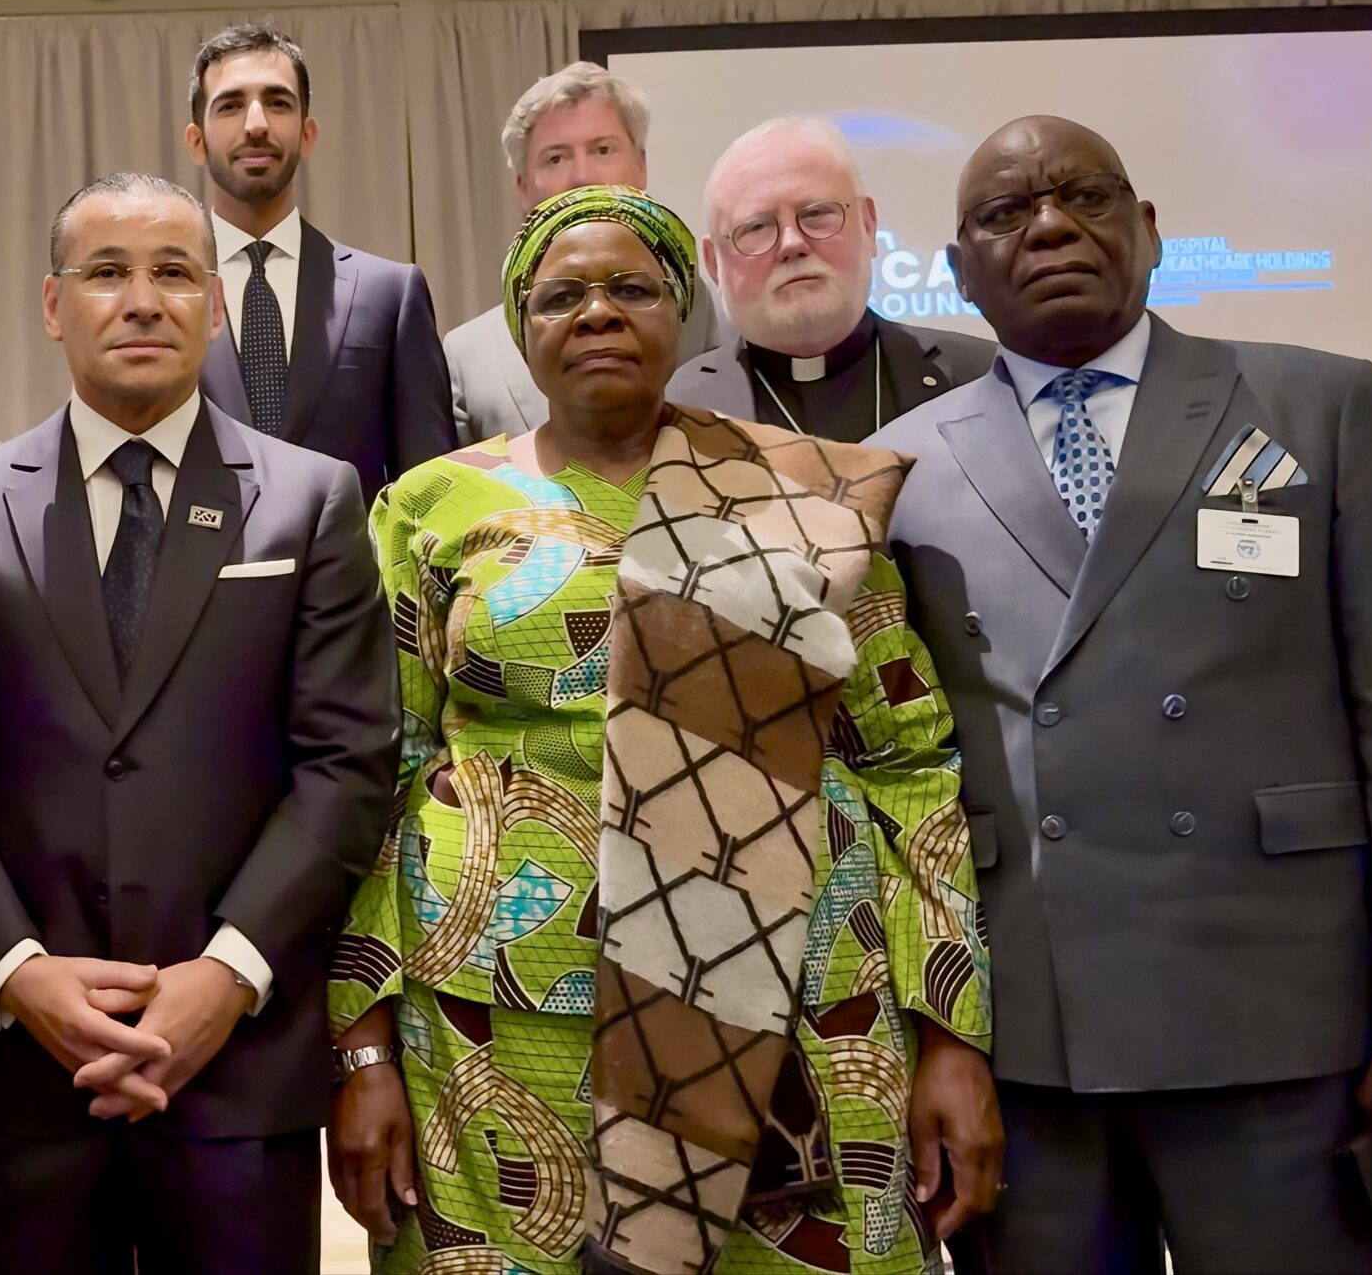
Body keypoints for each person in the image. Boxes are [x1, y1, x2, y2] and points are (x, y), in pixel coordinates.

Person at [329, 184, 1001, 1275]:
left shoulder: (806, 499)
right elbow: (376, 772)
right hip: (498, 1024)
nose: (597, 313)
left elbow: (910, 762)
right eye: (562, 296)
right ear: (520, 328)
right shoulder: (427, 504)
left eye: (631, 289)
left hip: (785, 1004)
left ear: (681, 313)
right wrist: (359, 1045)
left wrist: (950, 1034)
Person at [875, 115, 1372, 1274]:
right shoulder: (899, 469)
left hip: (1284, 1026)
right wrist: (936, 1036)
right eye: (1005, 214)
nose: (1052, 224)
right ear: (958, 271)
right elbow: (896, 778)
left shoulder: (1316, 406)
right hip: (1031, 1044)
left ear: (1151, 232)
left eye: (1085, 195)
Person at [0, 172, 399, 1274]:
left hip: (236, 1060)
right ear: (52, 306)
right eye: (107, 273)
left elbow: (347, 767)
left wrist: (225, 975)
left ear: (215, 304)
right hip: (22, 1069)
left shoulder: (310, 499)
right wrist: (16, 969)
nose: (142, 300)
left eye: (174, 272)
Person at [183, 24, 456, 497]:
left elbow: (429, 490)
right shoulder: (163, 293)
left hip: (350, 570)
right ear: (197, 142)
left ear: (308, 136)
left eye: (278, 102)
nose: (256, 124)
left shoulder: (389, 294)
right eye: (230, 105)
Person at [445, 63, 725, 442]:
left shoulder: (726, 317)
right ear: (524, 187)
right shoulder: (469, 353)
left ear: (641, 167)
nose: (583, 176)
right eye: (556, 158)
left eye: (603, 150)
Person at [669, 118, 992, 441]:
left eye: (816, 213)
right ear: (714, 262)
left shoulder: (984, 378)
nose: (792, 244)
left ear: (868, 225)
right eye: (756, 227)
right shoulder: (673, 413)